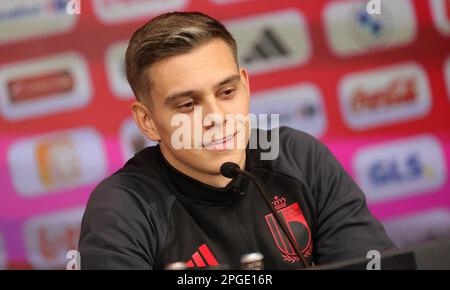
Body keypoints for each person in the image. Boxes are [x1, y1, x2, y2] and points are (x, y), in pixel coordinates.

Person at [78, 11, 394, 269]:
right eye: (187, 105)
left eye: (227, 92)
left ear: (245, 85)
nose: (216, 117)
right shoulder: (122, 207)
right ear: (147, 122)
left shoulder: (300, 158)